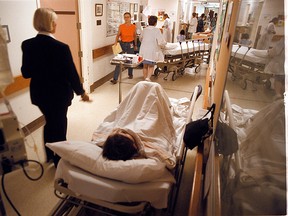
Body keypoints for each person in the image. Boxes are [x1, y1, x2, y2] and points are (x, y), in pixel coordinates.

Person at [21, 8, 90, 167]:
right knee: (59, 126)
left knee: (50, 122)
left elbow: (26, 73)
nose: (56, 24)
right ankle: (60, 161)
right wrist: (81, 92)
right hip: (58, 95)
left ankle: (49, 156)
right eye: (55, 21)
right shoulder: (60, 47)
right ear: (51, 23)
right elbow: (71, 73)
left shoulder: (27, 45)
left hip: (40, 95)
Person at [111, 12, 137, 84]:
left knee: (130, 60)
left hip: (130, 44)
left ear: (130, 18)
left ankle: (130, 74)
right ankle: (115, 79)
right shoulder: (121, 26)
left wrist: (135, 45)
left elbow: (135, 36)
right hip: (122, 44)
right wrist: (116, 42)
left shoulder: (133, 27)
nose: (126, 19)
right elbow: (117, 35)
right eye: (125, 17)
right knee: (119, 60)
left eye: (128, 17)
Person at [139, 15, 167, 81]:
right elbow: (160, 42)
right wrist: (164, 44)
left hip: (143, 50)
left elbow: (140, 39)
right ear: (155, 22)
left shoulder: (144, 29)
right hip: (152, 50)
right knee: (151, 66)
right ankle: (148, 78)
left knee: (145, 66)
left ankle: (145, 79)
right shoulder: (156, 30)